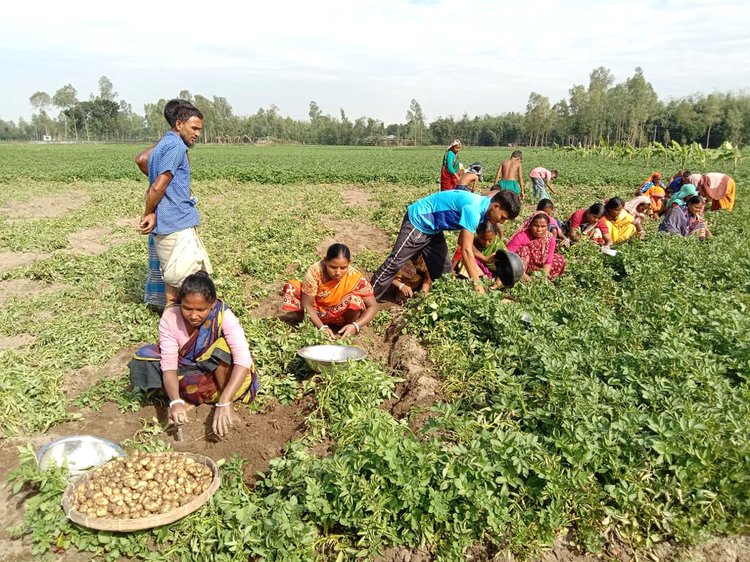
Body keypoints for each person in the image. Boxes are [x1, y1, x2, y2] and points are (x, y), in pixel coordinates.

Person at [129, 272, 258, 438]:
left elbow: (243, 358)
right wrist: (174, 401)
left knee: (224, 347)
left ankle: (222, 401)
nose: (193, 315)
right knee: (145, 358)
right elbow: (169, 364)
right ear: (179, 302)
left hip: (218, 375)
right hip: (188, 373)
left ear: (212, 304)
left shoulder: (222, 315)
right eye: (187, 308)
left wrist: (225, 401)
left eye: (201, 309)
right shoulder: (171, 317)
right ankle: (186, 399)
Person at [370, 190, 522, 298]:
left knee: (444, 275)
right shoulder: (474, 209)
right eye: (503, 217)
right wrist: (477, 283)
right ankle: (367, 298)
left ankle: (443, 305)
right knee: (394, 264)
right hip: (420, 221)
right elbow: (466, 251)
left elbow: (461, 241)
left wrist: (483, 258)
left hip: (434, 229)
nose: (501, 222)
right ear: (495, 206)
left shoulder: (484, 211)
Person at [138, 103, 211, 305]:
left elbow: (143, 162)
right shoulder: (177, 147)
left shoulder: (163, 145)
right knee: (188, 283)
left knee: (175, 280)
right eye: (194, 128)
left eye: (199, 129)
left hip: (171, 223)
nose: (197, 134)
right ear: (179, 124)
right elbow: (158, 187)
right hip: (177, 224)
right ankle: (180, 327)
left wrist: (153, 212)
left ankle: (171, 324)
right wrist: (148, 212)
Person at [282, 244, 378, 339]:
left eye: (343, 268)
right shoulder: (315, 272)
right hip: (315, 311)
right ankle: (311, 323)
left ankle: (345, 329)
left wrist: (356, 325)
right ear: (325, 261)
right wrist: (322, 327)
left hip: (339, 314)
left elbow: (373, 306)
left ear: (349, 263)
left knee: (356, 300)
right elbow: (307, 304)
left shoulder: (354, 276)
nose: (338, 272)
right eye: (333, 267)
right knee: (293, 288)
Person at [506, 211, 566, 281]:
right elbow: (508, 255)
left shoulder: (550, 239)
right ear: (531, 225)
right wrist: (523, 276)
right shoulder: (522, 236)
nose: (539, 230)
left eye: (543, 226)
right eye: (536, 226)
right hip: (521, 266)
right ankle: (520, 277)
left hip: (539, 268)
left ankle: (539, 279)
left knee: (559, 259)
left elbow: (548, 262)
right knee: (524, 249)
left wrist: (543, 278)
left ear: (548, 226)